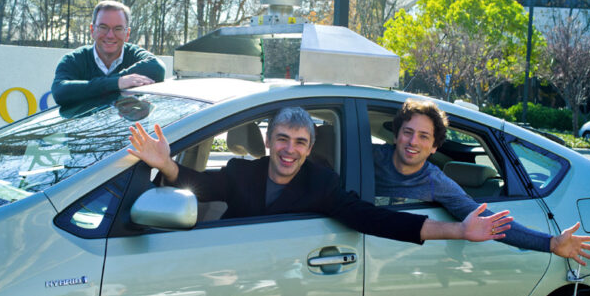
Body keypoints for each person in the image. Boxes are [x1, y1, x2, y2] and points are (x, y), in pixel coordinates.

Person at [128, 106, 514, 245]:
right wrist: (163, 163)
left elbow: (377, 220)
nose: (289, 149)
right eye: (282, 138)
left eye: (299, 141)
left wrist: (460, 230)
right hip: (239, 266)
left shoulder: (322, 185)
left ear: (310, 149)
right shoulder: (240, 172)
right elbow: (199, 184)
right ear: (268, 140)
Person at [372, 98, 590, 265]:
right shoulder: (367, 158)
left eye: (424, 136)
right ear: (396, 135)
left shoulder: (436, 182)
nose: (413, 141)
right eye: (408, 132)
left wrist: (551, 243)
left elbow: (490, 221)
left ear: (434, 147)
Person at [51, 0, 165, 106]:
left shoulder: (135, 55)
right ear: (92, 30)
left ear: (127, 33)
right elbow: (59, 91)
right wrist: (117, 83)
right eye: (103, 27)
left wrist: (97, 87)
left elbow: (157, 68)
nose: (110, 35)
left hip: (130, 127)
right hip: (87, 127)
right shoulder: (74, 60)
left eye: (118, 28)